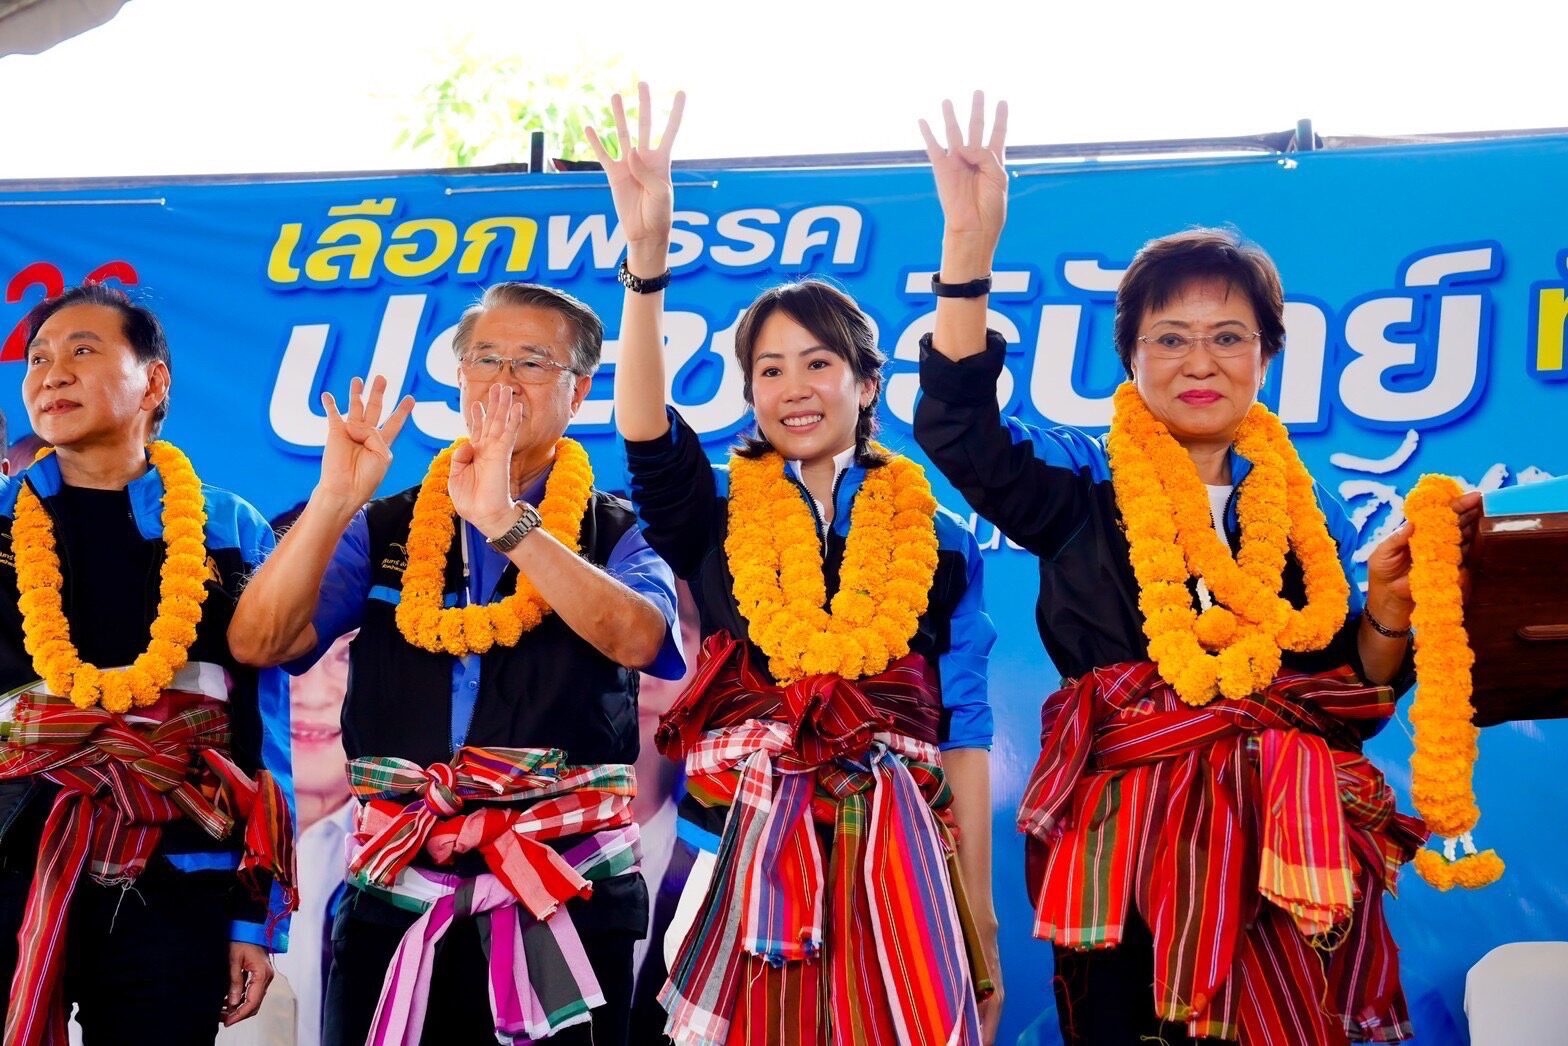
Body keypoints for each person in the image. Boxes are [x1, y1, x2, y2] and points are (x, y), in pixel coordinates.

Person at [913, 94, 1483, 1045]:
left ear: (1266, 356)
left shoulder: (1307, 515)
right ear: (1131, 358)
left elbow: (1352, 685)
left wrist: (1386, 609)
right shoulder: (1079, 482)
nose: (1199, 361)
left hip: (1287, 845)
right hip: (1125, 845)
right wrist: (968, 249)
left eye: (1229, 337)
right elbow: (962, 429)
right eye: (1169, 338)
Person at [594, 84, 1001, 1045]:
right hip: (731, 843)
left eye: (817, 364)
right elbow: (647, 431)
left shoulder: (936, 537)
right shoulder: (714, 518)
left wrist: (976, 906)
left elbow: (966, 721)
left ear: (866, 384)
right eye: (768, 371)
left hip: (895, 850)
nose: (792, 389)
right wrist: (645, 265)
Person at [227, 280, 684, 1046]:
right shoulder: (388, 524)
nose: (503, 380)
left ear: (578, 395)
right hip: (396, 887)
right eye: (485, 359)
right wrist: (336, 497)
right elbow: (260, 643)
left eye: (532, 363)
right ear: (459, 380)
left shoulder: (617, 532)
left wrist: (509, 523)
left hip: (562, 887)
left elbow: (639, 640)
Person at [0, 284, 294, 1046]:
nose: (50, 374)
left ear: (154, 382)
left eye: (81, 352)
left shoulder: (228, 530)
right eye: (38, 359)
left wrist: (252, 917)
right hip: (9, 865)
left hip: (180, 876)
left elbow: (264, 734)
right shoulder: (0, 528)